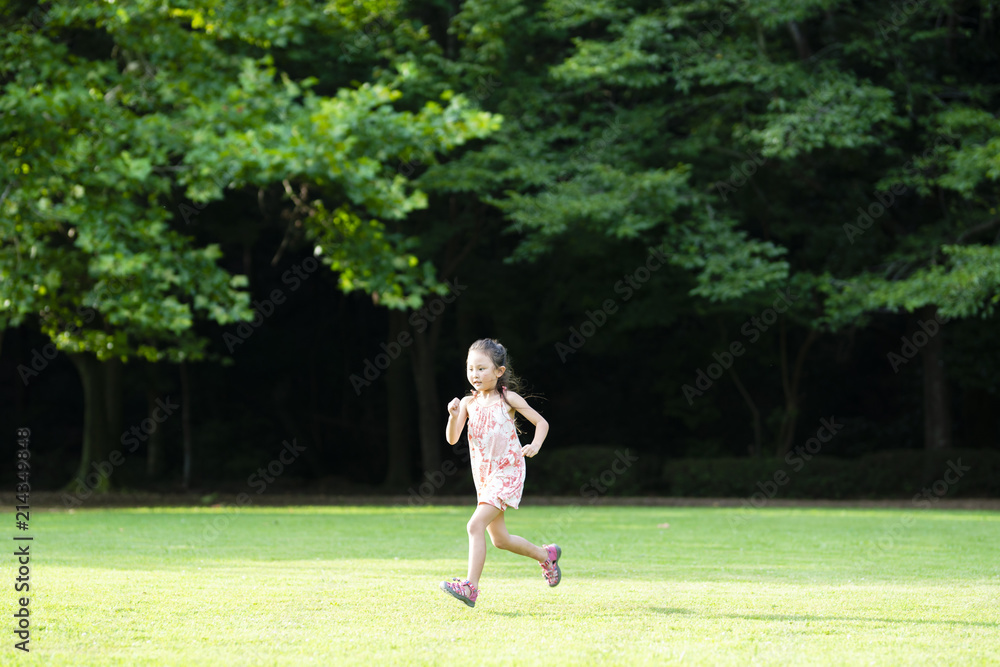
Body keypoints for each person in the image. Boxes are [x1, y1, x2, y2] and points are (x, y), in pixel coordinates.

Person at [439, 338, 561, 608]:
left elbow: (541, 423)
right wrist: (452, 414)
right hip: (484, 477)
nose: (475, 374)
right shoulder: (469, 404)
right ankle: (546, 555)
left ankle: (470, 587)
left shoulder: (507, 398)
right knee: (500, 540)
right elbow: (452, 438)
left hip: (508, 472)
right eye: (471, 369)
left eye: (482, 369)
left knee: (474, 525)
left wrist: (535, 445)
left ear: (499, 372)